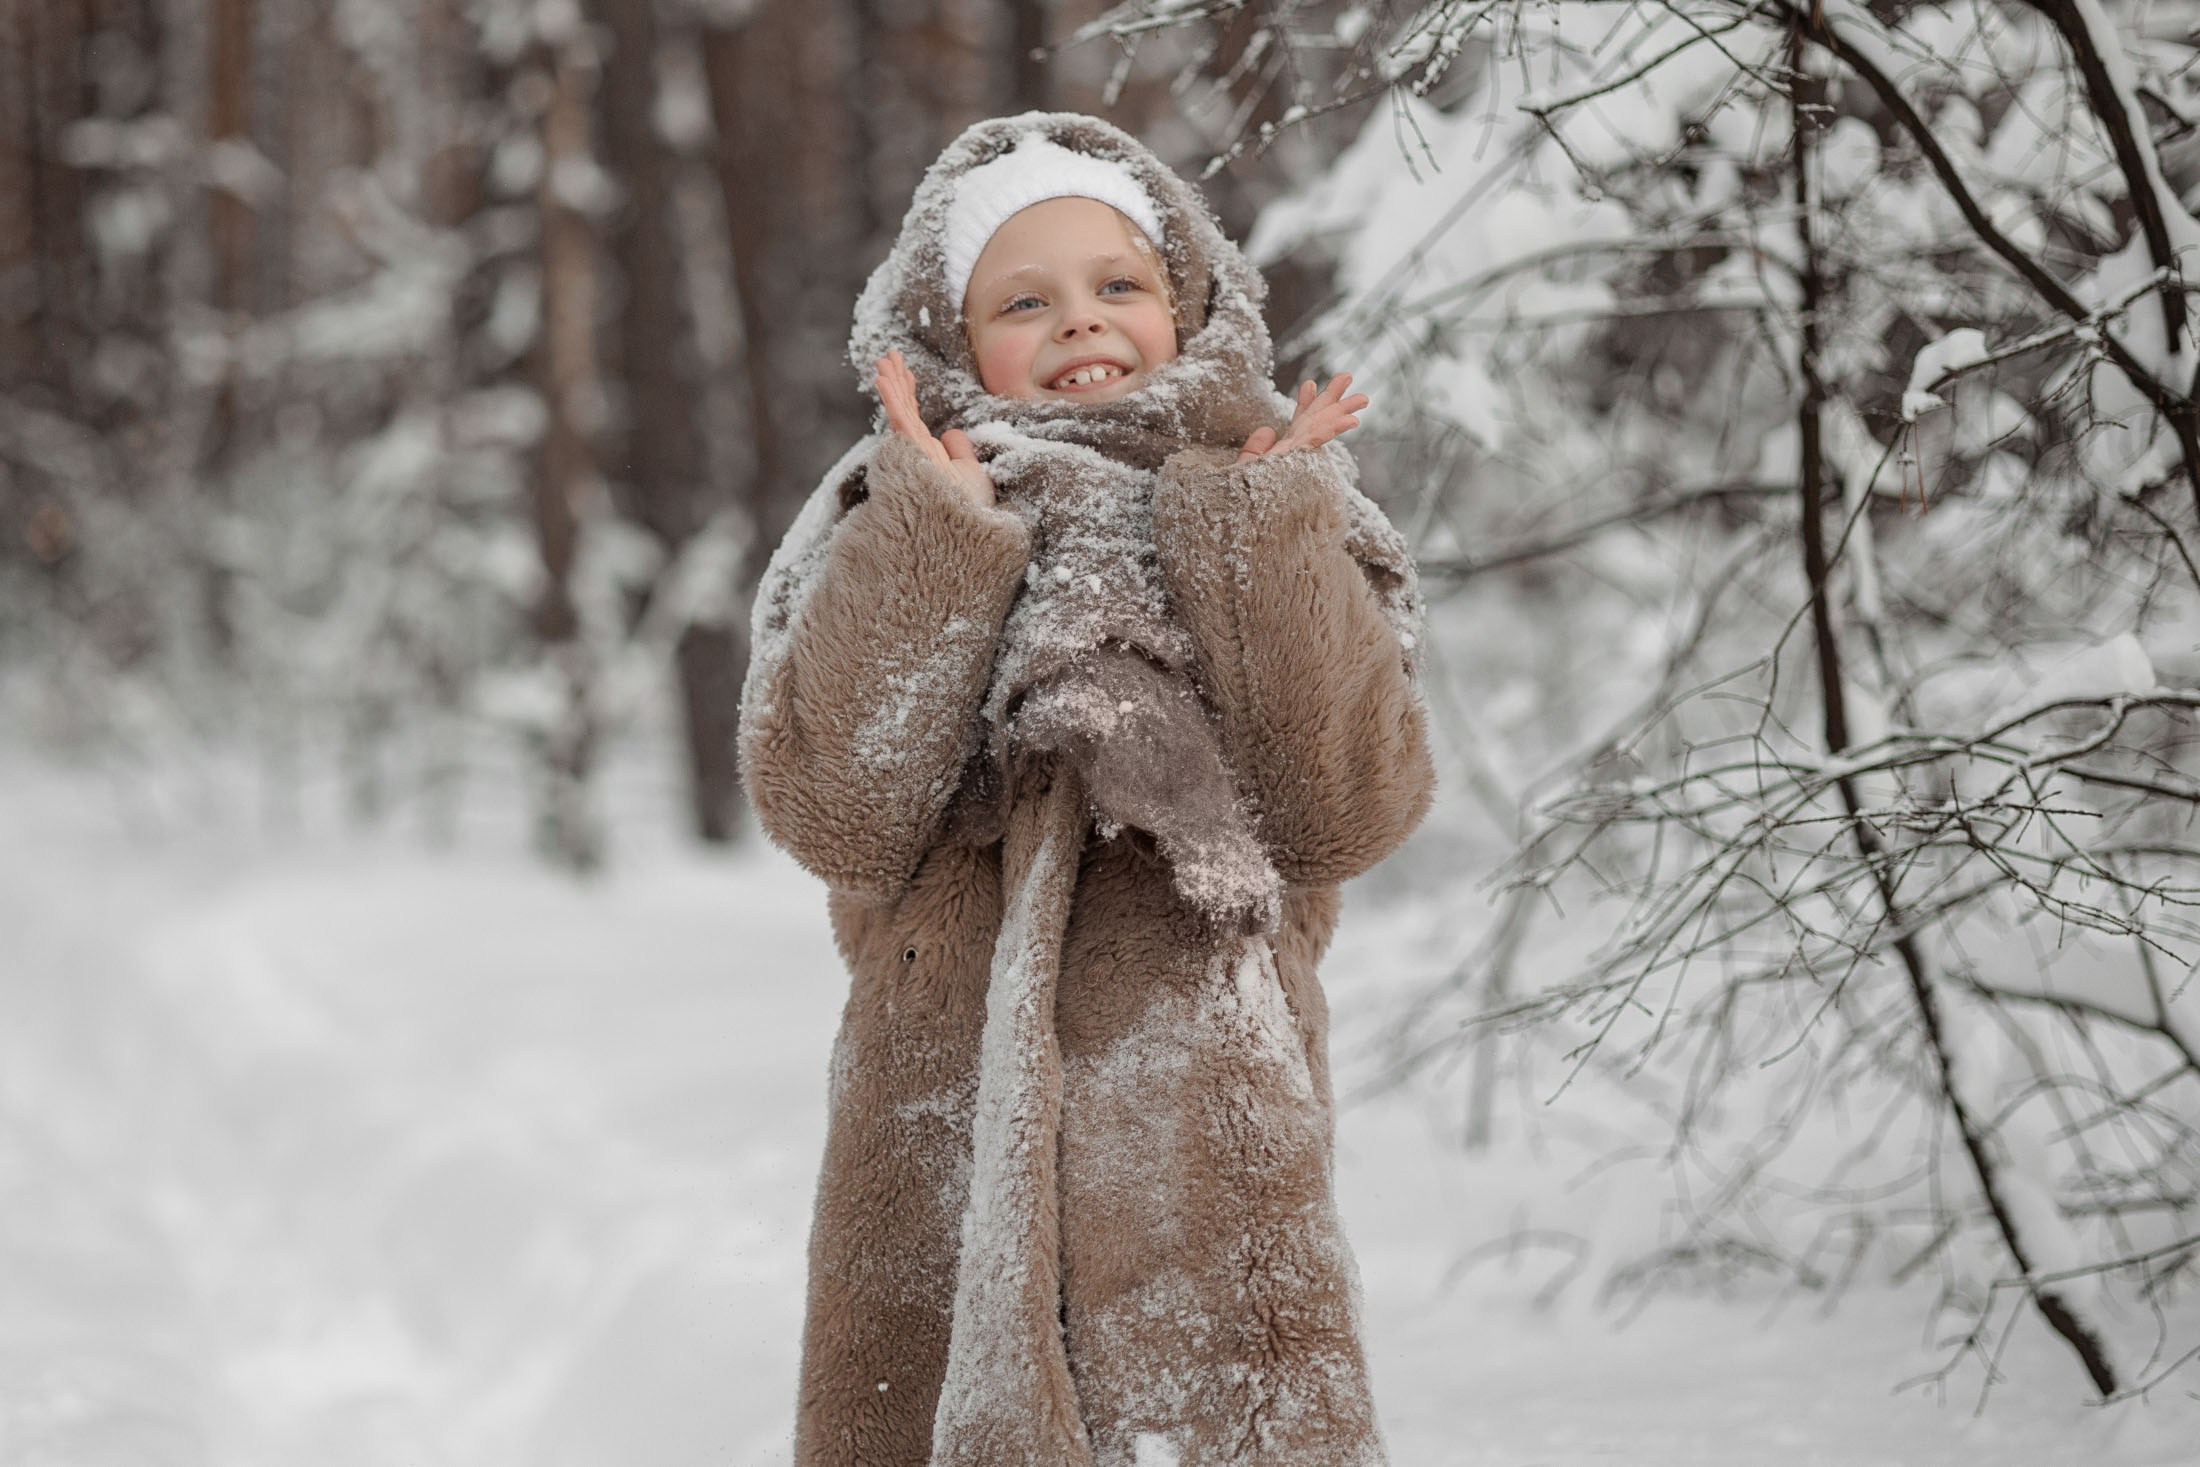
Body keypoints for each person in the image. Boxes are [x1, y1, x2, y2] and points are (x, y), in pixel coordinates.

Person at [737, 112, 1434, 1467]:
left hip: (1204, 1150)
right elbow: (832, 810)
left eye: (1118, 284)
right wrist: (940, 542)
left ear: (1190, 300)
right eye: (1024, 299)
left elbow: (1346, 812)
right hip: (942, 1134)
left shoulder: (1281, 500)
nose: (1080, 323)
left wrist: (1258, 538)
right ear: (945, 335)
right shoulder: (886, 515)